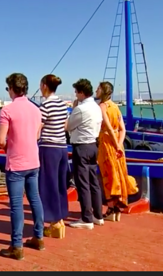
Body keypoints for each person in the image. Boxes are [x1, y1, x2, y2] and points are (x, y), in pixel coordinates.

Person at [0, 73, 45, 260]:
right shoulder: (36, 110)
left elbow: (1, 141)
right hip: (33, 161)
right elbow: (36, 136)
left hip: (16, 164)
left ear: (11, 88)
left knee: (16, 204)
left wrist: (12, 146)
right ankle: (38, 237)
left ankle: (17, 246)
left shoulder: (7, 110)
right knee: (35, 199)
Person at [96, 82, 138, 222]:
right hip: (118, 146)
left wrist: (115, 144)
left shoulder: (102, 107)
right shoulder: (115, 107)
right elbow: (122, 129)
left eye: (98, 89)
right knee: (118, 174)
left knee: (108, 176)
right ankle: (117, 207)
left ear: (103, 91)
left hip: (107, 144)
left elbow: (107, 127)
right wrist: (120, 145)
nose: (96, 90)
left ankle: (111, 208)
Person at [67, 78, 104, 229]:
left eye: (76, 92)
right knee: (93, 181)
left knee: (83, 183)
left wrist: (74, 109)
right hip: (93, 145)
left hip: (81, 146)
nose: (75, 95)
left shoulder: (81, 109)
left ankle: (86, 218)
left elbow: (68, 126)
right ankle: (98, 215)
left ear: (81, 93)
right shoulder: (96, 107)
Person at [38, 74, 69, 239]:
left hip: (48, 148)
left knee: (48, 185)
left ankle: (54, 222)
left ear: (44, 86)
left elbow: (38, 128)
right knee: (59, 185)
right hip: (62, 148)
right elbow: (65, 125)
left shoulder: (45, 105)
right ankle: (60, 218)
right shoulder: (62, 104)